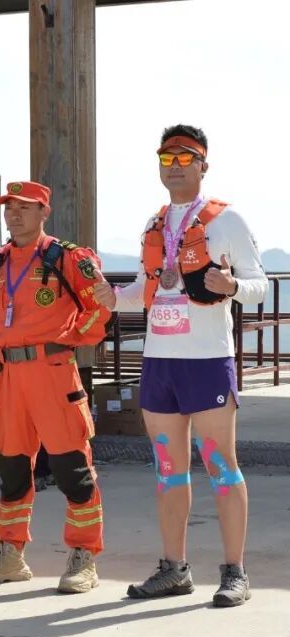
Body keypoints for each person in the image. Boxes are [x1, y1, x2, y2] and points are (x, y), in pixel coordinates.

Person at [92, 125, 267, 608]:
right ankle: (174, 569)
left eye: (185, 158)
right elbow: (147, 291)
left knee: (220, 466)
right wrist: (113, 298)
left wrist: (232, 286)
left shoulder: (227, 220)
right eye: (166, 159)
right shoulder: (155, 223)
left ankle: (235, 572)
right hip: (160, 363)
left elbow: (258, 285)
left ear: (204, 165)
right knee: (168, 469)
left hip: (207, 363)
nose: (175, 167)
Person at [0, 181, 108, 593]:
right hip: (9, 376)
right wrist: (4, 336)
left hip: (52, 373)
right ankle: (10, 553)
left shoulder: (67, 257)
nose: (14, 214)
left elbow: (99, 308)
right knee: (12, 470)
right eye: (9, 208)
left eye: (24, 208)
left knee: (71, 469)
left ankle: (84, 556)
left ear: (44, 211)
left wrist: (67, 339)